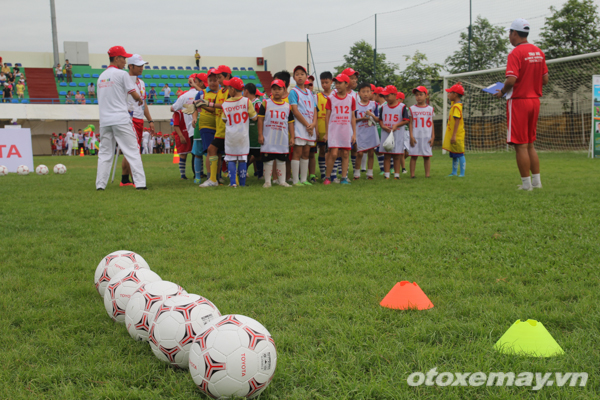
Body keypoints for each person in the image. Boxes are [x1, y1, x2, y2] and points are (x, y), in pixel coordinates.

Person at [494, 18, 549, 191]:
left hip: (519, 102)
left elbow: (511, 79)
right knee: (530, 143)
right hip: (534, 101)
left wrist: (502, 92)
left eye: (510, 33)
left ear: (514, 33)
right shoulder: (538, 52)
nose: (509, 37)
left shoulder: (515, 53)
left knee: (521, 145)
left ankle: (526, 185)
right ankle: (536, 182)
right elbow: (545, 79)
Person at [95, 46, 146, 191]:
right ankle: (141, 183)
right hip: (121, 119)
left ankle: (100, 185)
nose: (125, 61)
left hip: (105, 121)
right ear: (116, 58)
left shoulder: (101, 77)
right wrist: (139, 100)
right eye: (123, 58)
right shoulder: (122, 74)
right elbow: (134, 93)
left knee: (105, 154)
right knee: (133, 151)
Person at [120, 54, 155, 187]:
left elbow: (144, 103)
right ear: (131, 66)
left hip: (139, 119)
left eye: (143, 65)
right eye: (139, 65)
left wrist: (150, 120)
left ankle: (124, 179)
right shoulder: (124, 80)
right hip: (129, 118)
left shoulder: (142, 83)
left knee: (132, 150)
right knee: (133, 150)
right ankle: (136, 179)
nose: (142, 68)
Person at [220, 77, 257, 187]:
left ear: (232, 89)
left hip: (231, 135)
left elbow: (224, 119)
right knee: (242, 159)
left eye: (228, 87)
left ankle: (232, 183)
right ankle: (242, 183)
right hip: (243, 135)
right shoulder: (247, 101)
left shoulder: (226, 103)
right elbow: (254, 117)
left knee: (231, 158)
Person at [200, 65, 232, 188]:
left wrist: (208, 103)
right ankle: (215, 178)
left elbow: (227, 106)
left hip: (228, 129)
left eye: (219, 77)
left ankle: (216, 179)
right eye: (216, 78)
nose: (217, 80)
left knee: (218, 151)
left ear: (227, 76)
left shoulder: (231, 91)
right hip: (220, 129)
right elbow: (217, 109)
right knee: (215, 151)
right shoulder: (220, 92)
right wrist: (204, 105)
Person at [258, 79, 295, 188]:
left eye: (279, 89)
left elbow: (290, 123)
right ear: (271, 90)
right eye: (274, 89)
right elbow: (260, 120)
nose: (277, 91)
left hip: (281, 138)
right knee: (268, 159)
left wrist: (292, 137)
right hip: (269, 137)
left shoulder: (288, 107)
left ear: (284, 90)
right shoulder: (265, 103)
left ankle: (282, 181)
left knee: (281, 160)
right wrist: (260, 134)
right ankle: (267, 181)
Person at [323, 73, 356, 185]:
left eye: (340, 83)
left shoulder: (351, 99)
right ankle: (328, 177)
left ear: (347, 84)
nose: (337, 85)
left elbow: (352, 117)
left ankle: (343, 178)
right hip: (334, 130)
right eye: (336, 83)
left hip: (346, 130)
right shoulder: (331, 98)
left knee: (346, 154)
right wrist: (327, 133)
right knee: (333, 153)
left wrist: (354, 133)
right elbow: (327, 117)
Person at [289, 66, 317, 186]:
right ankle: (295, 180)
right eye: (297, 74)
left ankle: (304, 179)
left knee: (306, 152)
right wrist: (307, 125)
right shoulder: (293, 92)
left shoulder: (310, 92)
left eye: (302, 74)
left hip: (310, 127)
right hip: (300, 127)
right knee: (297, 152)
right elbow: (295, 111)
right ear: (294, 77)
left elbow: (315, 109)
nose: (300, 76)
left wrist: (313, 124)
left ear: (306, 76)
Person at [193, 68, 219, 183]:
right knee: (210, 150)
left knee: (219, 152)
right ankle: (210, 176)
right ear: (207, 81)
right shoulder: (201, 93)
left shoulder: (223, 92)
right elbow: (195, 106)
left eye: (215, 80)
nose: (213, 82)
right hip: (206, 125)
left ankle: (217, 176)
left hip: (220, 125)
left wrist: (204, 105)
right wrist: (194, 118)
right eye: (210, 80)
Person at [172, 73, 199, 180]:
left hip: (188, 131)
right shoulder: (178, 113)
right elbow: (176, 125)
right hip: (183, 133)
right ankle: (185, 174)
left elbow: (172, 108)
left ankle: (192, 174)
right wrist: (181, 136)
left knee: (191, 152)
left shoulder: (184, 107)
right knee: (185, 154)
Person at [379, 85, 409, 179]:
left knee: (397, 155)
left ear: (394, 95)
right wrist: (383, 126)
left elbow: (406, 120)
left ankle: (397, 175)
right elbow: (380, 119)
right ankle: (386, 174)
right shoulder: (383, 107)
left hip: (397, 133)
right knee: (387, 155)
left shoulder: (402, 107)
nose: (386, 98)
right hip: (386, 133)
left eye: (387, 96)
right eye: (385, 96)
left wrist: (396, 125)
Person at [353, 83, 380, 180]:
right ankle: (357, 173)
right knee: (359, 153)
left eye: (368, 91)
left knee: (371, 152)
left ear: (371, 93)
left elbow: (378, 119)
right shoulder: (355, 105)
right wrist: (362, 118)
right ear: (359, 93)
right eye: (363, 92)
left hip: (371, 132)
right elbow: (352, 119)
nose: (365, 94)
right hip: (360, 131)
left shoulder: (374, 105)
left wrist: (371, 115)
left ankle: (370, 173)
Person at [408, 86, 435, 178]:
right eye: (416, 95)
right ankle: (412, 175)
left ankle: (427, 175)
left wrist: (433, 136)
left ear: (426, 96)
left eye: (421, 94)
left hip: (426, 136)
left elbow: (431, 123)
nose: (418, 97)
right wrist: (411, 135)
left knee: (426, 156)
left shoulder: (430, 109)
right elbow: (410, 123)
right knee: (414, 156)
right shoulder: (412, 109)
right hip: (416, 135)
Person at [443, 83, 466, 177]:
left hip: (457, 135)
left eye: (450, 93)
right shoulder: (454, 104)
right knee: (454, 154)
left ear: (455, 94)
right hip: (454, 134)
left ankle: (462, 173)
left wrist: (454, 135)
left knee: (460, 154)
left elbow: (457, 121)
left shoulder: (457, 107)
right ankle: (454, 172)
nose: (448, 95)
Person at [243, 83, 263, 180]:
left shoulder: (257, 103)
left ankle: (260, 174)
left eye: (243, 91)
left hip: (255, 133)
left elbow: (260, 117)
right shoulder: (246, 102)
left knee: (258, 155)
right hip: (247, 133)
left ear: (246, 91)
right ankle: (243, 173)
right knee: (247, 154)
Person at [316, 71, 333, 180]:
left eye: (326, 82)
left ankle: (332, 173)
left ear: (331, 81)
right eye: (322, 83)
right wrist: (316, 130)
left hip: (333, 129)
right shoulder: (317, 97)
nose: (324, 85)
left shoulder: (335, 96)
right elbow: (314, 114)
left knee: (334, 152)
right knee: (322, 150)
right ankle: (323, 174)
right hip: (321, 128)